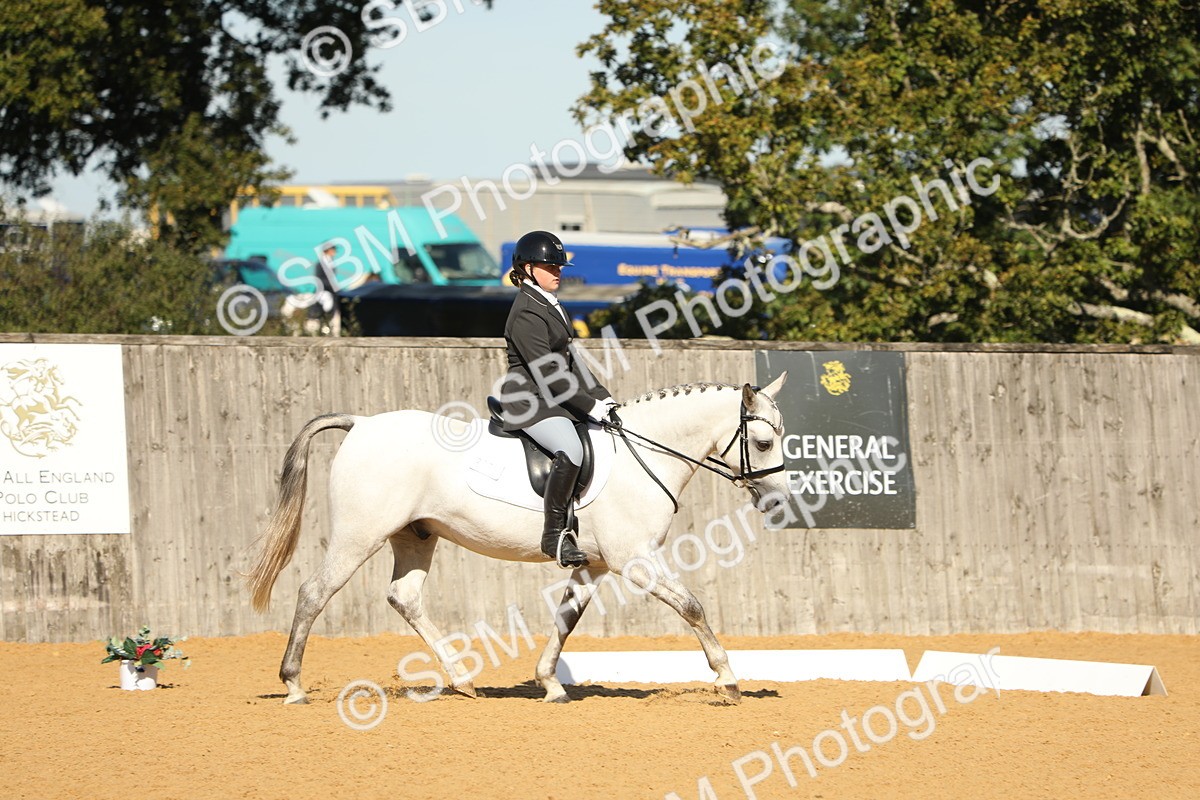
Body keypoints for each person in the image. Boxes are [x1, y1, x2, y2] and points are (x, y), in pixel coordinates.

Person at [498, 230, 618, 568]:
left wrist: (604, 399)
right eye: (550, 267)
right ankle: (554, 536)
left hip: (553, 399)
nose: (558, 272)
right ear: (526, 268)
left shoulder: (551, 305)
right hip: (528, 402)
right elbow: (549, 374)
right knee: (572, 449)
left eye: (559, 267)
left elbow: (573, 362)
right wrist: (589, 407)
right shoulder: (526, 312)